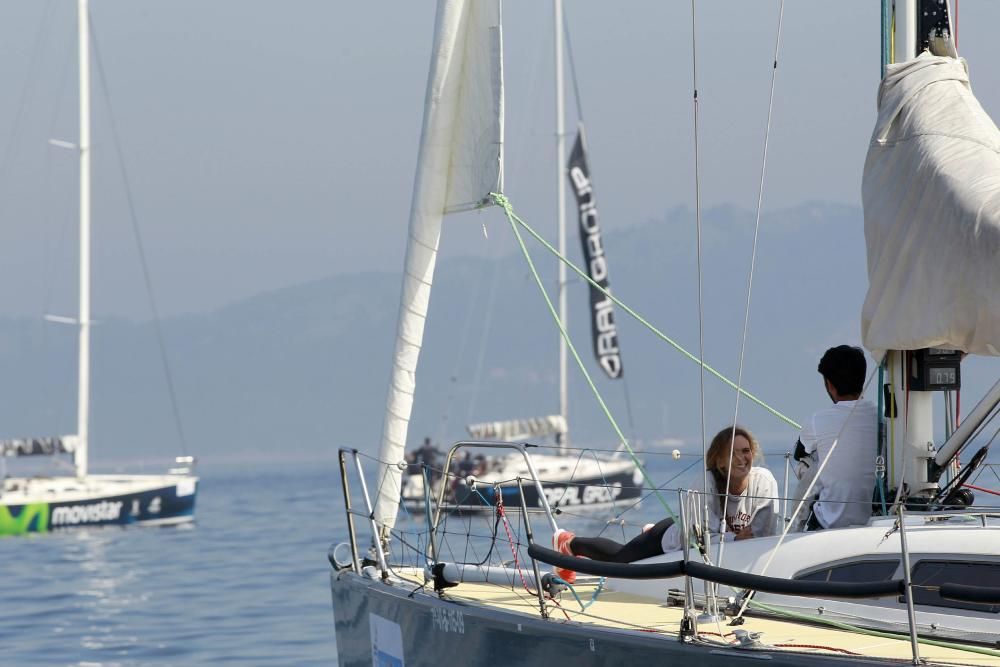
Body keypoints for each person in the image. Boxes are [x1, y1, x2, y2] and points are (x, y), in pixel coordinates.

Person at [552, 425, 779, 583]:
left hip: (704, 539)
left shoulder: (764, 481)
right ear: (719, 461)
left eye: (746, 451)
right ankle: (569, 543)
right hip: (677, 538)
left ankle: (646, 533)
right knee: (620, 562)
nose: (741, 458)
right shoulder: (706, 482)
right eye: (732, 453)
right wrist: (736, 538)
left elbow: (764, 535)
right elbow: (702, 539)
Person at [793, 345, 877, 530]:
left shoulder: (816, 420)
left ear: (829, 385)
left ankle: (793, 528)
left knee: (811, 463)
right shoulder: (879, 418)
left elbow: (800, 453)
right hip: (872, 521)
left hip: (826, 524)